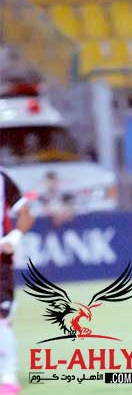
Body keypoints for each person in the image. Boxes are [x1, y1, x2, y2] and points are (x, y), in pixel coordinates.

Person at [0, 169, 35, 395]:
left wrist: (13, 239)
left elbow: (26, 214)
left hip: (0, 262)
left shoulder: (2, 179)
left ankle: (9, 377)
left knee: (2, 319)